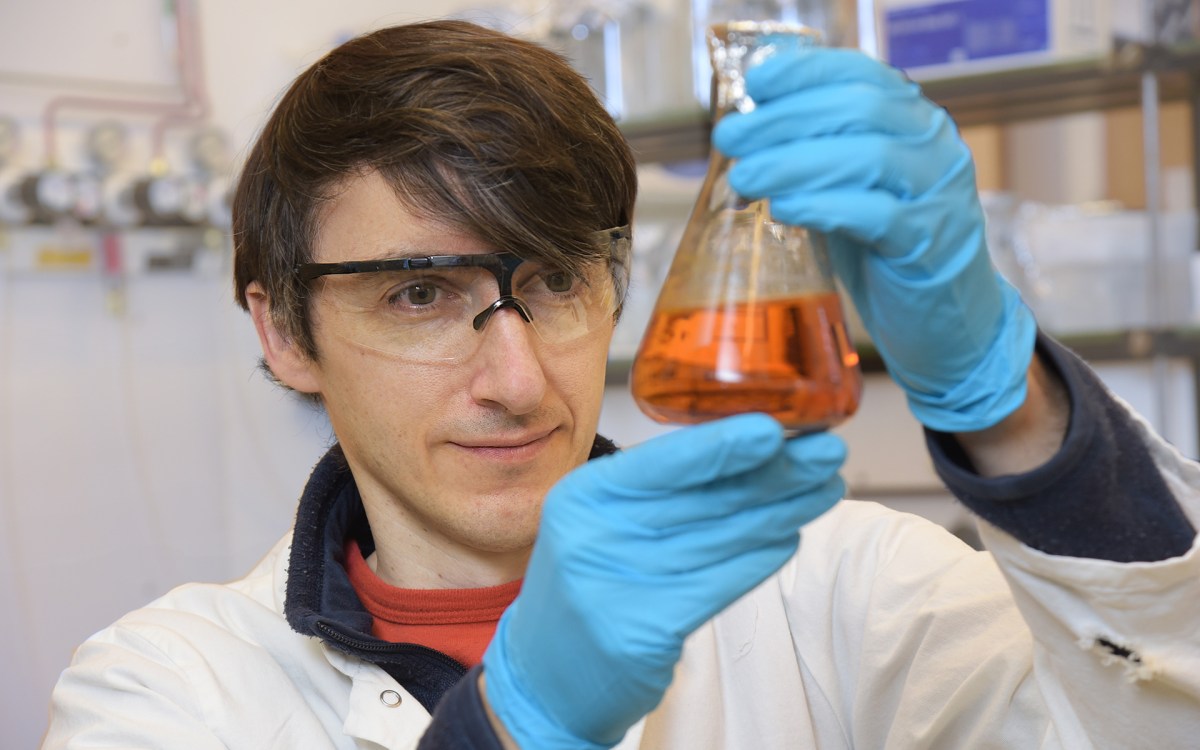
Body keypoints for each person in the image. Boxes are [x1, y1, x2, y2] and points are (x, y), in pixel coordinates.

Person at [41, 19, 1199, 750]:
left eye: (552, 282)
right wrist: (515, 728)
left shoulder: (846, 592)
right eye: (417, 295)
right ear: (285, 331)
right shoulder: (168, 688)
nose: (518, 377)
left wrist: (1002, 400)